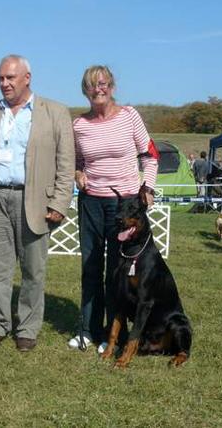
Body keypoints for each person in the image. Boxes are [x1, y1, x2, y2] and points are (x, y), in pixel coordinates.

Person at [0, 54, 75, 352]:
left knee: (33, 270)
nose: (5, 83)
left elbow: (66, 163)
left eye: (10, 78)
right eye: (1, 78)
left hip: (35, 201)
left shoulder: (55, 112)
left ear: (27, 78)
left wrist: (59, 202)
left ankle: (27, 328)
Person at [67, 65, 158, 352]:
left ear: (112, 87)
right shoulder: (78, 125)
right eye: (92, 85)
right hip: (91, 202)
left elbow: (150, 155)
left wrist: (148, 187)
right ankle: (87, 330)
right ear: (85, 91)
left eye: (103, 83)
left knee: (117, 270)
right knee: (90, 266)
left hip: (125, 204)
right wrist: (77, 173)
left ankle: (112, 334)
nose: (98, 89)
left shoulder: (130, 116)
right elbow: (76, 160)